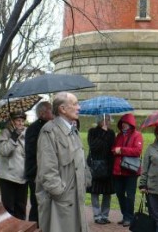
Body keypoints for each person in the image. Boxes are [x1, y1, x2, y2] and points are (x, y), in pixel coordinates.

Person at [35, 92, 88, 232]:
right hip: (60, 203)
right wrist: (60, 193)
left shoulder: (73, 130)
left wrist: (86, 181)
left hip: (76, 199)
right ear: (62, 109)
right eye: (75, 104)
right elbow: (47, 170)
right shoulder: (49, 131)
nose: (79, 107)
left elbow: (80, 162)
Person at [25, 101, 54, 224]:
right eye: (50, 110)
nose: (53, 113)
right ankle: (34, 225)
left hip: (48, 170)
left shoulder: (51, 126)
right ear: (42, 113)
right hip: (36, 171)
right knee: (37, 203)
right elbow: (32, 150)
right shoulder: (33, 128)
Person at [112, 113, 143, 227]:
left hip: (130, 171)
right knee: (119, 193)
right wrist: (115, 150)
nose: (124, 125)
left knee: (130, 195)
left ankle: (129, 217)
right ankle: (125, 215)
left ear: (131, 124)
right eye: (122, 123)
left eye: (126, 123)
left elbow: (137, 151)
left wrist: (121, 150)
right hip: (118, 170)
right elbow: (114, 148)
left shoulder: (137, 135)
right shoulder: (119, 136)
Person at [0, 111, 28, 220]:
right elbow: (4, 151)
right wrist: (13, 137)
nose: (21, 123)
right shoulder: (4, 133)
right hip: (7, 176)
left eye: (23, 121)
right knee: (9, 207)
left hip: (22, 176)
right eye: (18, 120)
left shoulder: (26, 133)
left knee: (21, 206)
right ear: (12, 122)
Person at [87, 114, 116, 224]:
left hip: (108, 166)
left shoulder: (111, 133)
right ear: (100, 120)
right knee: (95, 192)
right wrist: (103, 133)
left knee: (107, 192)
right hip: (95, 166)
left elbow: (112, 148)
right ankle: (97, 215)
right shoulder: (92, 132)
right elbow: (93, 147)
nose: (108, 121)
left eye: (109, 119)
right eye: (106, 119)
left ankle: (105, 215)